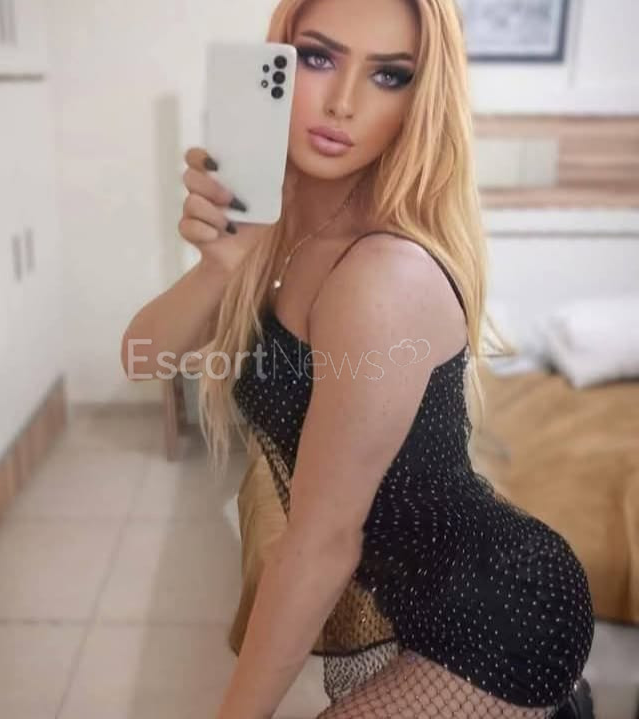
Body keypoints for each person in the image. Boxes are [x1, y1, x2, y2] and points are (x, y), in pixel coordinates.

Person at [120, 0, 595, 717]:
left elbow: (321, 542)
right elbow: (143, 358)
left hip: (502, 608)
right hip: (419, 596)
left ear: (419, 101)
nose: (343, 103)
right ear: (278, 61)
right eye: (318, 57)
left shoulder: (381, 276)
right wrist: (220, 265)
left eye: (389, 75)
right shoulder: (279, 235)